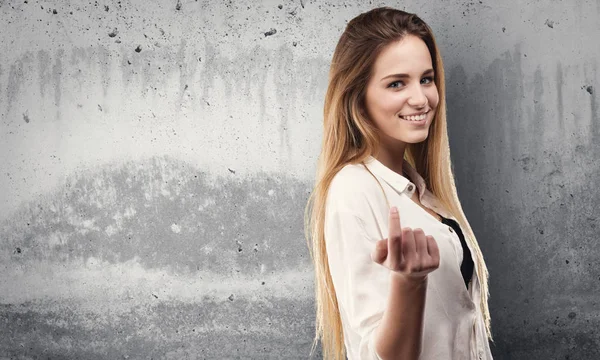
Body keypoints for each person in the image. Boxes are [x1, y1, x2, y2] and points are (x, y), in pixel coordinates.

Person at [304, 7, 493, 360]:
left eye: (426, 78)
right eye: (396, 83)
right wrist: (410, 282)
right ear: (357, 96)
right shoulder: (353, 190)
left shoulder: (421, 192)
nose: (421, 99)